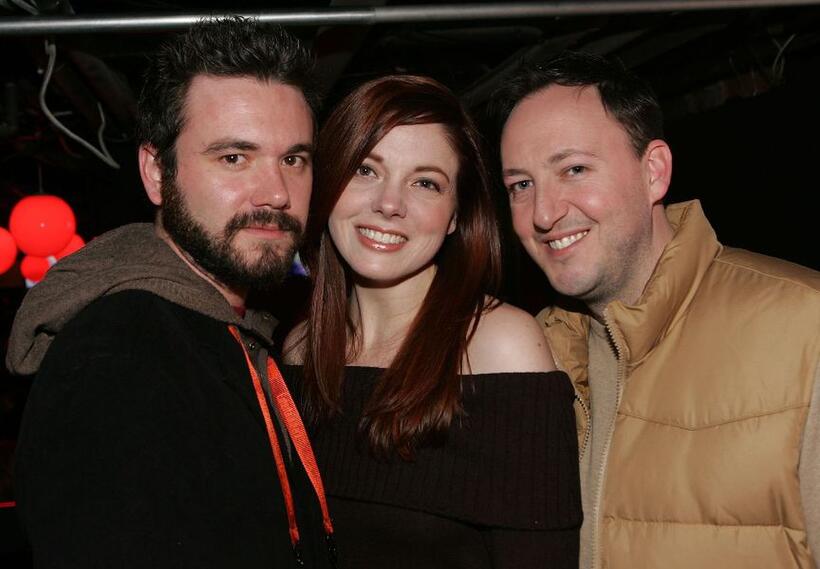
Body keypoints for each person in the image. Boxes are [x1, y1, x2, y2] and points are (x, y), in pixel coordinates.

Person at [6, 17, 335, 568]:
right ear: (157, 172)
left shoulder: (227, 331)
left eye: (293, 159)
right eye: (234, 158)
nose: (277, 193)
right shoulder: (118, 358)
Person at [495, 51, 820, 569]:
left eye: (574, 169)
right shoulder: (528, 356)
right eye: (521, 185)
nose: (544, 213)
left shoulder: (804, 327)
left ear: (654, 172)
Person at [283, 74, 582, 568]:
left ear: (455, 215)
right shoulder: (300, 349)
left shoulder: (498, 346)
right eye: (366, 170)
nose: (389, 204)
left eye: (425, 183)